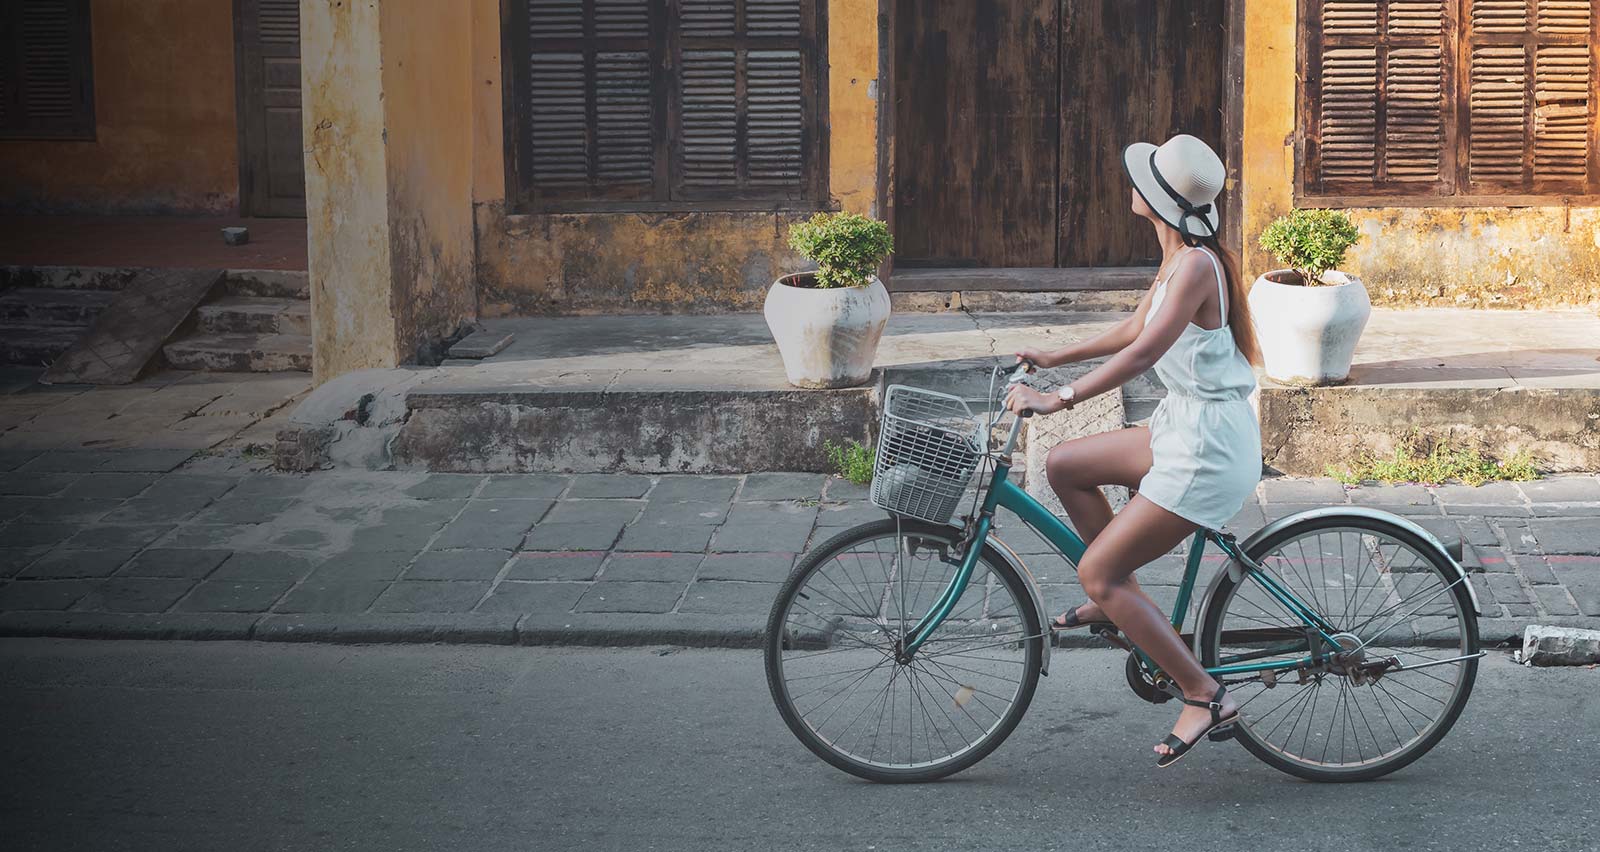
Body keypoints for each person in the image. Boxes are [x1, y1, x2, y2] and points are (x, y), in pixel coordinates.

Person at [1003, 134, 1262, 767]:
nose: (1132, 185)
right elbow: (1131, 330)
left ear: (1158, 201)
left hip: (1206, 450)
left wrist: (1057, 398)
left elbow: (1142, 354)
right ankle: (1121, 601)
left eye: (1142, 180)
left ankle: (1203, 693)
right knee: (1064, 465)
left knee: (1098, 566)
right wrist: (1053, 355)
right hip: (1183, 428)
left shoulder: (1198, 266)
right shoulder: (1179, 259)